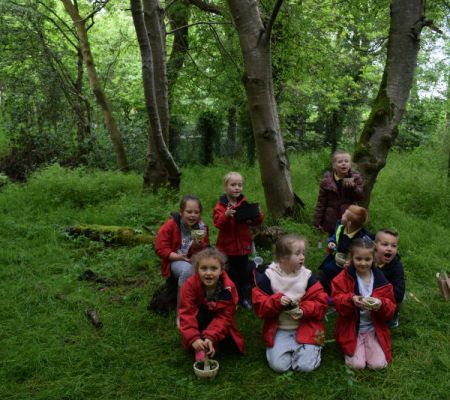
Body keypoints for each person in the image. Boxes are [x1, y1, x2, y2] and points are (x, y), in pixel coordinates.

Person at [252, 235, 328, 373]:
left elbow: (321, 303)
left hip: (306, 326)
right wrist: (276, 302)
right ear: (282, 258)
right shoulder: (269, 276)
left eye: (303, 253)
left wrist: (303, 310)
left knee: (305, 367)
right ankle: (293, 348)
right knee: (279, 366)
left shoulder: (307, 276)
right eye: (297, 254)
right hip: (280, 328)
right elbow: (259, 306)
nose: (302, 257)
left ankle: (310, 348)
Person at [332, 238, 396, 370]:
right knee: (357, 365)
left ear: (373, 259)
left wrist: (381, 304)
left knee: (379, 365)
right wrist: (351, 300)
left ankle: (372, 342)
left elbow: (391, 307)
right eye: (358, 259)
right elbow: (337, 300)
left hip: (373, 328)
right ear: (352, 258)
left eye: (367, 259)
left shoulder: (380, 279)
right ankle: (354, 346)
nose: (363, 263)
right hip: (352, 328)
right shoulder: (344, 277)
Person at [179, 248, 244, 361]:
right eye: (204, 268)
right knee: (197, 320)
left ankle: (209, 341)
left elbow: (225, 316)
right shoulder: (189, 285)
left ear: (221, 270)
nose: (208, 273)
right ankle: (199, 346)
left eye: (213, 268)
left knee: (229, 341)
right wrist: (194, 338)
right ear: (197, 270)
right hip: (198, 317)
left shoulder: (228, 288)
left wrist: (210, 336)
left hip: (217, 317)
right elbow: (187, 313)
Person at [155, 195, 209, 324]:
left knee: (213, 268)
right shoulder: (171, 225)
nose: (192, 215)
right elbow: (160, 248)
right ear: (181, 212)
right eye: (189, 212)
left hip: (193, 259)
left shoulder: (201, 227)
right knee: (188, 271)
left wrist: (198, 246)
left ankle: (206, 305)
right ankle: (182, 313)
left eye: (196, 212)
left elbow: (204, 249)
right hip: (174, 259)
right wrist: (178, 256)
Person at [213, 171, 264, 309]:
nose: (237, 188)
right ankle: (228, 298)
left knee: (243, 273)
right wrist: (226, 215)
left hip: (242, 247)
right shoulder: (220, 206)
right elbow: (217, 223)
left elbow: (255, 221)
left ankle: (243, 297)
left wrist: (258, 214)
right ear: (225, 187)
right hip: (227, 248)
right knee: (229, 273)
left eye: (240, 185)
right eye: (233, 185)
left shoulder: (244, 203)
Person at [318, 205, 373, 295]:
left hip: (349, 266)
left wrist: (351, 261)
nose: (342, 215)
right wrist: (332, 242)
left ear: (349, 223)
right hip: (335, 259)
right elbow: (334, 236)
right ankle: (324, 289)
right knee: (326, 273)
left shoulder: (361, 239)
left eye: (344, 215)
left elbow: (365, 255)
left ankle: (336, 294)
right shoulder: (340, 227)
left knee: (342, 281)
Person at [314, 150, 364, 235]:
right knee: (332, 240)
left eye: (346, 161)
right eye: (340, 162)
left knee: (347, 240)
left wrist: (353, 187)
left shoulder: (355, 178)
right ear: (334, 165)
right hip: (331, 219)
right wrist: (317, 221)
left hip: (348, 217)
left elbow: (360, 197)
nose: (343, 163)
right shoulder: (326, 182)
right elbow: (321, 203)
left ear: (350, 164)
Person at [375, 229, 405, 328]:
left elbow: (399, 294)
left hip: (385, 298)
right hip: (366, 294)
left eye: (393, 246)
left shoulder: (396, 267)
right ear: (375, 245)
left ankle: (393, 316)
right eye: (385, 244)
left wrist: (381, 300)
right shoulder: (367, 259)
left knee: (402, 298)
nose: (389, 249)